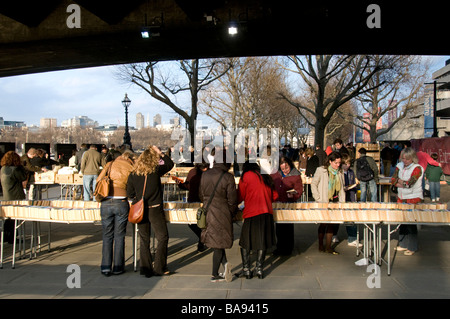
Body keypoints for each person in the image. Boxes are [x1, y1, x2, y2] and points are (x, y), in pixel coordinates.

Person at [127, 146, 174, 277]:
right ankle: (159, 267)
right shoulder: (155, 171)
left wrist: (138, 198)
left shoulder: (133, 174)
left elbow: (129, 194)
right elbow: (170, 164)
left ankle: (145, 268)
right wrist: (161, 153)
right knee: (162, 237)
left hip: (140, 209)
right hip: (155, 208)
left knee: (144, 239)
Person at [199, 150, 238, 282]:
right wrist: (231, 213)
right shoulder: (228, 177)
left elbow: (201, 194)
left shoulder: (205, 175)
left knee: (217, 243)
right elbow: (233, 200)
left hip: (208, 211)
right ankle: (214, 274)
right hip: (222, 212)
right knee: (219, 243)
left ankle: (226, 267)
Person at [237, 161, 278, 279]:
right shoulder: (266, 178)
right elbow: (274, 196)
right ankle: (259, 269)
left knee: (246, 241)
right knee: (262, 241)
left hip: (251, 212)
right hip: (266, 212)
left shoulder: (246, 176)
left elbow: (240, 195)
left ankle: (246, 269)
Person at [98, 150, 135, 276]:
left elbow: (99, 179)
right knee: (120, 236)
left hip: (106, 200)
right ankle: (118, 267)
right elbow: (132, 188)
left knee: (107, 235)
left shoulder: (110, 164)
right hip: (122, 202)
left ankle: (105, 267)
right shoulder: (131, 167)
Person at [310, 151, 345, 255]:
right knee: (323, 224)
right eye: (336, 163)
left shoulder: (340, 172)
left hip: (335, 201)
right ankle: (321, 244)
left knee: (332, 224)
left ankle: (329, 247)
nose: (338, 165)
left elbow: (342, 188)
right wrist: (318, 198)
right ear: (330, 161)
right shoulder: (321, 170)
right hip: (323, 201)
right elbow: (314, 184)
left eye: (339, 163)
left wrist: (342, 202)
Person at [391, 147, 423, 255]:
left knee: (411, 222)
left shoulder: (417, 168)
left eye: (407, 159)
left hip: (413, 197)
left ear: (412, 158)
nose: (404, 161)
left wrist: (400, 182)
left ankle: (412, 247)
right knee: (402, 221)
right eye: (403, 158)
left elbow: (410, 183)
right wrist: (402, 183)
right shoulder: (399, 166)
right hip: (401, 197)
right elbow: (393, 180)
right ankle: (403, 244)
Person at [270, 156, 303, 256]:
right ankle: (280, 247)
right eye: (283, 169)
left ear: (290, 165)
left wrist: (294, 195)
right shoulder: (275, 174)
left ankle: (288, 248)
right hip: (278, 204)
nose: (285, 171)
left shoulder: (296, 175)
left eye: (287, 168)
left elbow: (299, 190)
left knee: (288, 227)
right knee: (279, 227)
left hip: (289, 204)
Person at [176, 161, 209, 252]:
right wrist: (180, 184)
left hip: (200, 200)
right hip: (195, 200)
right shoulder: (194, 172)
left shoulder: (199, 172)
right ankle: (203, 240)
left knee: (199, 223)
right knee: (192, 223)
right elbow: (188, 185)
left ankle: (202, 243)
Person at [1, 151, 28, 243]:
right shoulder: (15, 170)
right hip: (16, 196)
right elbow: (23, 177)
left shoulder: (3, 169)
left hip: (6, 196)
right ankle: (12, 238)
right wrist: (21, 167)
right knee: (14, 218)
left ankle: (6, 236)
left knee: (8, 218)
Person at [341, 154, 362, 247]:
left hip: (351, 196)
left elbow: (353, 183)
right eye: (346, 163)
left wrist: (354, 185)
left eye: (349, 163)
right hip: (342, 197)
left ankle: (352, 238)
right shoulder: (340, 173)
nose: (348, 165)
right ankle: (333, 234)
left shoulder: (351, 172)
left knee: (351, 219)